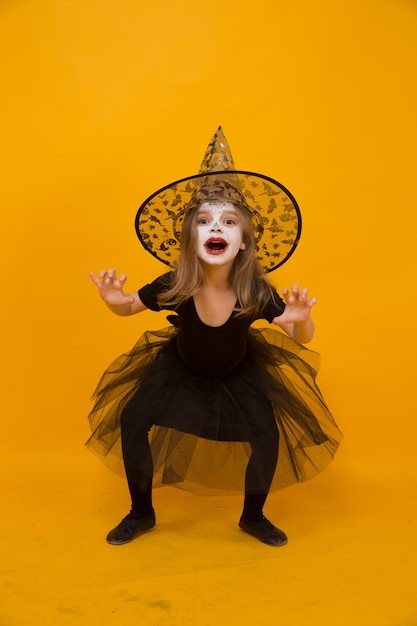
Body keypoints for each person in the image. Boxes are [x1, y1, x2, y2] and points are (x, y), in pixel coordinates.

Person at [87, 127, 342, 547]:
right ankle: (141, 511)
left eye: (227, 222)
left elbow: (303, 339)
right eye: (203, 222)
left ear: (243, 243)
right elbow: (128, 307)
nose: (214, 228)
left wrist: (299, 319)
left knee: (267, 435)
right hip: (180, 367)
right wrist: (113, 299)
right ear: (191, 239)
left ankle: (253, 516)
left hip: (237, 372)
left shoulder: (257, 291)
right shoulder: (176, 282)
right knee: (132, 419)